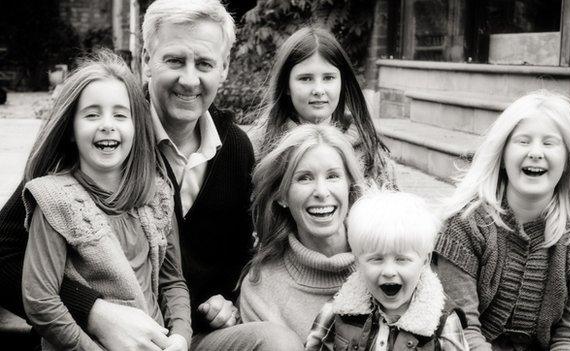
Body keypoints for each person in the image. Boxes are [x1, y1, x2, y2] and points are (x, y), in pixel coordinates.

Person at [1, 0, 302, 349]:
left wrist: (226, 298)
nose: (189, 79)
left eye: (204, 63)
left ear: (224, 68)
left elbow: (237, 257)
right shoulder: (102, 137)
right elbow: (5, 254)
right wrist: (95, 312)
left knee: (276, 342)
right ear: (146, 61)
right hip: (95, 336)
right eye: (174, 60)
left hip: (185, 334)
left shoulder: (235, 148)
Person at [21, 50, 190, 350]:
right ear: (71, 130)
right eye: (92, 114)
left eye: (120, 114)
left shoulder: (157, 195)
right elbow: (40, 301)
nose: (107, 124)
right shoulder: (54, 199)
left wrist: (179, 336)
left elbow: (172, 282)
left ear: (137, 128)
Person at [434, 90, 570, 350]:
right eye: (523, 141)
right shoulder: (465, 226)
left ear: (568, 159)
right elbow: (463, 330)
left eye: (549, 142)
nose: (535, 152)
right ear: (501, 155)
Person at [239, 124, 365, 342]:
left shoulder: (387, 262)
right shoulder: (261, 289)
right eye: (304, 178)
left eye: (333, 176)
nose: (322, 192)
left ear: (349, 186)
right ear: (282, 196)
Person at [305, 189, 469, 351]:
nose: (389, 271)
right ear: (358, 262)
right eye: (376, 259)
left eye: (401, 259)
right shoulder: (338, 310)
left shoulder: (443, 323)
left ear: (424, 261)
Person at [247, 26, 394, 185]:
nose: (318, 90)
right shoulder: (258, 146)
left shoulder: (367, 147)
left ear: (342, 82)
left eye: (329, 77)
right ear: (287, 86)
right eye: (305, 78)